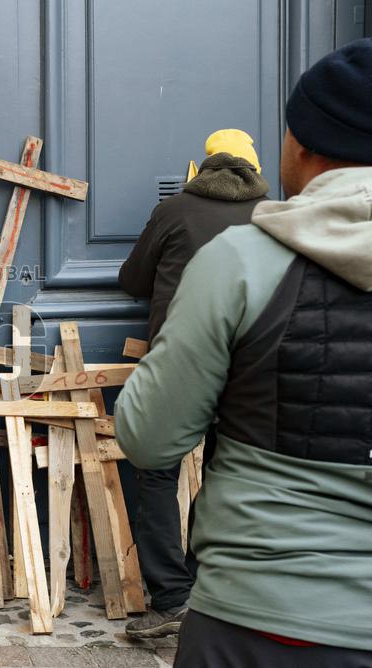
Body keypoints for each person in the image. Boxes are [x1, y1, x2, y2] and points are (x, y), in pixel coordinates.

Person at [116, 38, 372, 667]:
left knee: (158, 479)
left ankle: (168, 595)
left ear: (300, 145)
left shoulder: (239, 258)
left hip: (258, 614)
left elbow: (149, 437)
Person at [117, 128, 269, 638]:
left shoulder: (175, 210)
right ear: (254, 169)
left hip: (180, 361)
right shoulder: (272, 215)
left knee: (157, 472)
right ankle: (208, 591)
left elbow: (132, 280)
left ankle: (172, 598)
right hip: (250, 364)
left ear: (204, 166)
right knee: (227, 475)